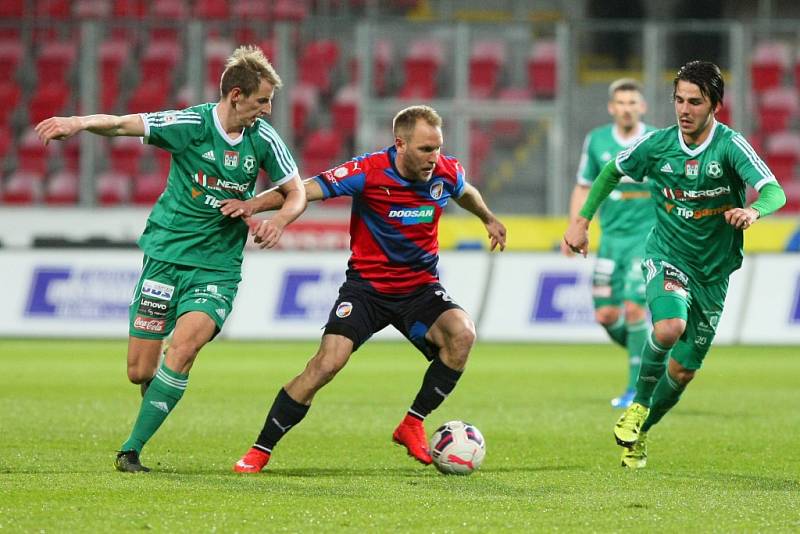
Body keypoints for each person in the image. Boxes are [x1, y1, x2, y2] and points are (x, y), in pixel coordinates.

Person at [34, 45, 307, 472]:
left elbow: (297, 190)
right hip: (165, 256)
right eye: (262, 100)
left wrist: (276, 220)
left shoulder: (263, 139)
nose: (268, 110)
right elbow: (126, 124)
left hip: (217, 267)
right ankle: (158, 394)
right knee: (139, 371)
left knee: (183, 349)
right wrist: (80, 122)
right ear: (236, 95)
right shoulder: (191, 124)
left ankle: (130, 451)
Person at [219, 104, 507, 473]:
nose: (434, 158)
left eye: (437, 148)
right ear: (399, 144)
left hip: (419, 288)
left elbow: (465, 191)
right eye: (424, 149)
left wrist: (488, 218)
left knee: (462, 335)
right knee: (326, 364)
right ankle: (260, 449)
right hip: (366, 290)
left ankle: (412, 423)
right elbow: (304, 190)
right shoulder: (367, 172)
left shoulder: (445, 171)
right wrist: (255, 205)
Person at [564, 61, 786, 469]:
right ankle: (638, 402)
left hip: (714, 272)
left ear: (715, 104)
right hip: (666, 253)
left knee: (683, 372)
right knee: (668, 326)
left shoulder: (730, 146)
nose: (684, 110)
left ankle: (643, 428)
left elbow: (774, 190)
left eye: (695, 102)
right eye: (679, 100)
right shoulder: (658, 144)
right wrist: (581, 222)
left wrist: (753, 212)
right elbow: (611, 171)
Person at [562, 79, 656, 409]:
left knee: (633, 308)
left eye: (633, 102)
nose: (627, 108)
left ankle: (636, 390)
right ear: (612, 108)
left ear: (641, 107)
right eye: (621, 102)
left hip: (646, 241)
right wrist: (575, 228)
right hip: (611, 241)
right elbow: (583, 186)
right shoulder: (598, 140)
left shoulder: (656, 140)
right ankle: (653, 349)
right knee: (606, 315)